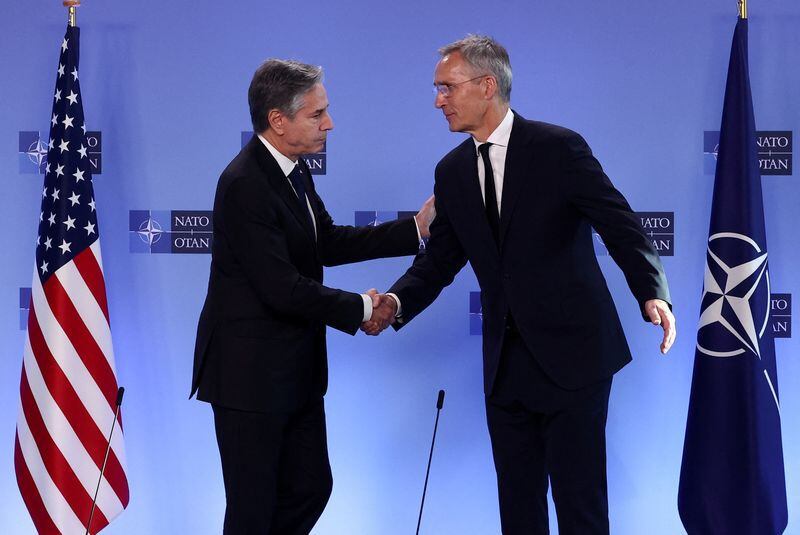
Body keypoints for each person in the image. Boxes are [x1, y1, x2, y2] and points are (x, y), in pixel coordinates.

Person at [364, 35, 676, 534]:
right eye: (437, 89)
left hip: (575, 358)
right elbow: (440, 260)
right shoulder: (452, 171)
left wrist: (652, 290)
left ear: (487, 86)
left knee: (580, 508)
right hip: (506, 369)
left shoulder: (559, 149)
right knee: (518, 510)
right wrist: (396, 302)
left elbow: (620, 224)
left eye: (447, 87)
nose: (437, 100)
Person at [190, 58, 434, 534]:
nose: (330, 123)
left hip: (295, 372)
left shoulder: (294, 170)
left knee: (310, 488)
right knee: (253, 510)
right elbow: (281, 288)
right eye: (317, 114)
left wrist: (414, 230)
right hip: (250, 378)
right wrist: (363, 307)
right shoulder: (243, 184)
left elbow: (328, 241)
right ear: (278, 120)